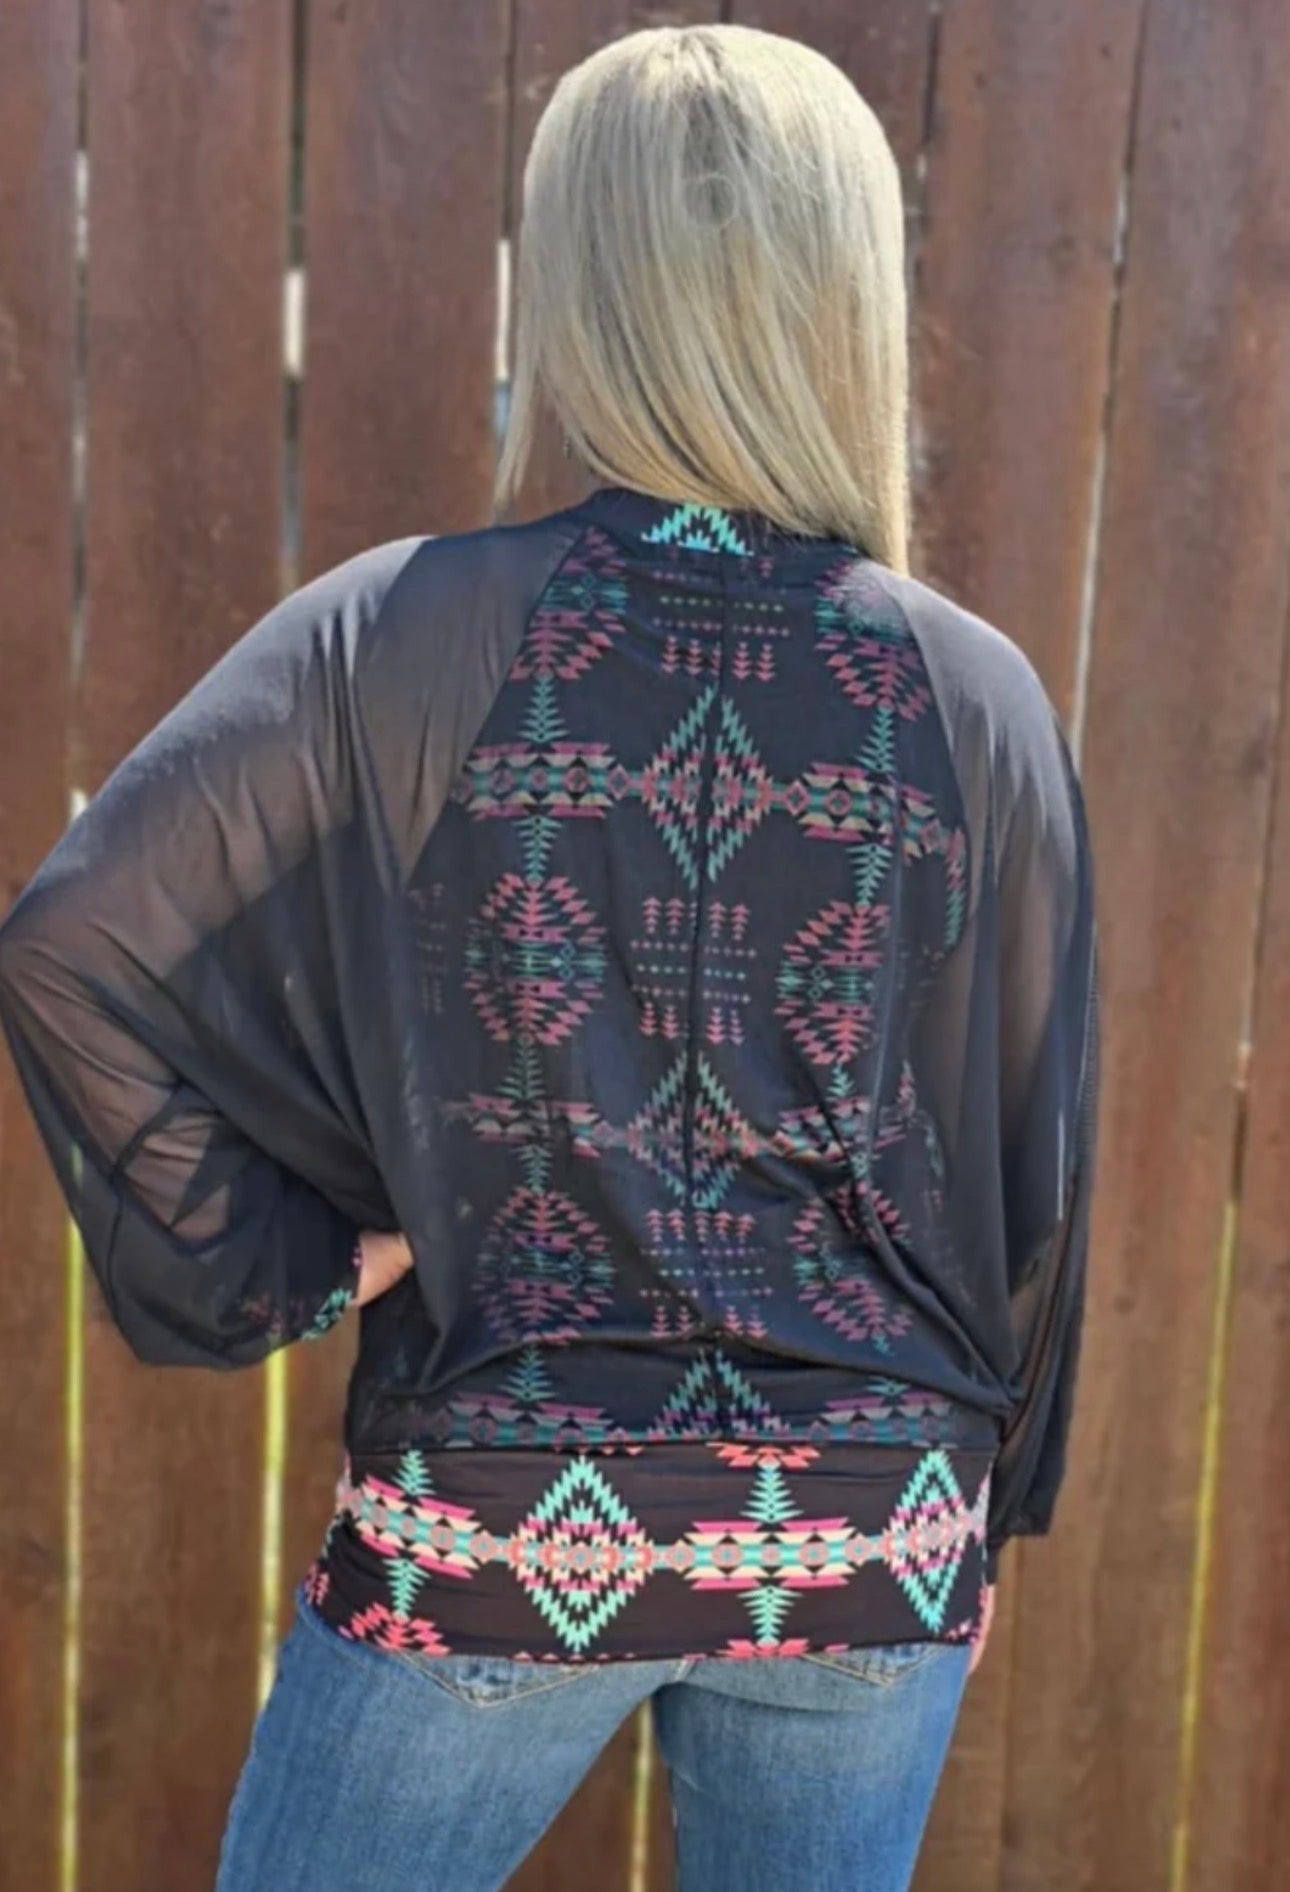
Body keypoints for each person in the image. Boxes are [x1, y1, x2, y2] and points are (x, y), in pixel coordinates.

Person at [0, 23, 1099, 1892]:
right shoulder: (968, 691)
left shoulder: (402, 634)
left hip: (513, 1502)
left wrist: (300, 1255)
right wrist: (967, 1524)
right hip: (867, 1519)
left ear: (576, 287)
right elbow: (1026, 1164)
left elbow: (73, 948)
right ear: (850, 292)